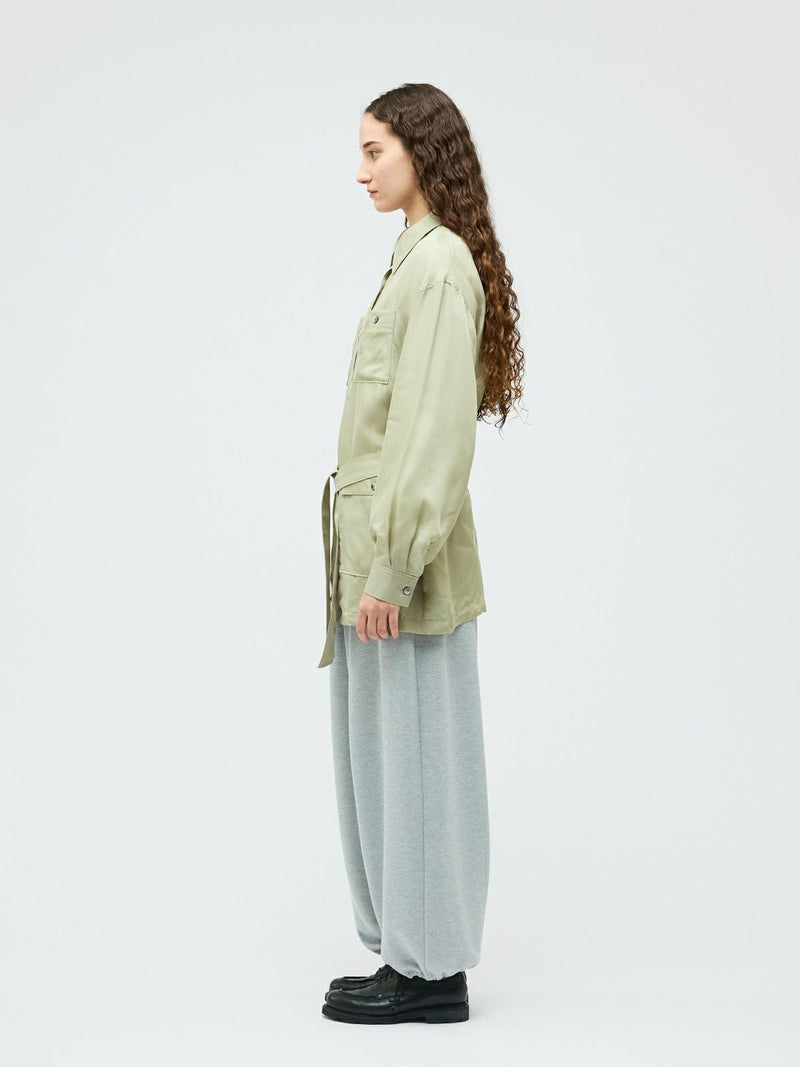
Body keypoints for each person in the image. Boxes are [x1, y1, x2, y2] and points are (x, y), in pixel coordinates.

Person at [318, 83, 525, 1025]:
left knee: (419, 760)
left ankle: (433, 970)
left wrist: (392, 569)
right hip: (374, 559)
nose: (361, 172)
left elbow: (433, 435)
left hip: (401, 569)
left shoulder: (438, 266)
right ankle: (409, 953)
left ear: (420, 151)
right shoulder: (413, 260)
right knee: (386, 759)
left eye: (375, 152)